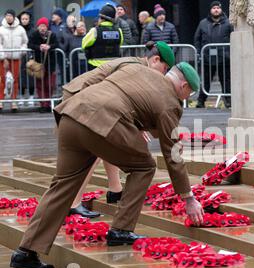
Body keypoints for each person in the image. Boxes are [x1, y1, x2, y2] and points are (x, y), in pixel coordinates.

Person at [9, 61, 204, 268]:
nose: (186, 99)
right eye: (190, 94)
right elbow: (172, 155)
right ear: (184, 86)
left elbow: (105, 83)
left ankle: (26, 251)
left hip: (71, 114)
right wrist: (188, 197)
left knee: (62, 185)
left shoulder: (137, 69)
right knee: (145, 166)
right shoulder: (170, 102)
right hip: (101, 123)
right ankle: (121, 229)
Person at [62, 41, 176, 218]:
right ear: (155, 60)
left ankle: (115, 189)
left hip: (91, 99)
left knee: (109, 140)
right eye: (165, 68)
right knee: (92, 150)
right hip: (82, 97)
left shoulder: (138, 65)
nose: (164, 75)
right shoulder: (137, 68)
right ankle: (73, 203)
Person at [194, 1, 233, 108]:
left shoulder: (228, 23)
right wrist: (199, 52)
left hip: (224, 58)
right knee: (205, 81)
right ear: (210, 10)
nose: (216, 10)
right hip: (207, 58)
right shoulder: (203, 23)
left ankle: (228, 102)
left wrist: (230, 53)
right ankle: (201, 101)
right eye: (214, 8)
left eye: (218, 8)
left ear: (221, 10)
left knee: (226, 81)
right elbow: (197, 39)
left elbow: (233, 38)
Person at [0, 9, 28, 112]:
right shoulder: (1, 29)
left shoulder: (20, 29)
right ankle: (1, 101)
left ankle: (14, 102)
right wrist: (3, 57)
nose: (8, 17)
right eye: (7, 16)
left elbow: (25, 42)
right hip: (4, 59)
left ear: (14, 17)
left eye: (10, 16)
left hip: (16, 58)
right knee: (2, 80)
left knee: (15, 80)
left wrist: (21, 51)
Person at [28, 17, 58, 112]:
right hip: (38, 64)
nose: (42, 28)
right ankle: (43, 104)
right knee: (40, 85)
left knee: (49, 84)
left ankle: (48, 103)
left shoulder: (52, 35)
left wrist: (49, 46)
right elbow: (30, 45)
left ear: (47, 27)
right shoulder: (34, 35)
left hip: (50, 63)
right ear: (38, 27)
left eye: (44, 26)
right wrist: (39, 47)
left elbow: (57, 44)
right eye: (41, 26)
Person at [82, 4, 123, 71]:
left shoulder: (94, 31)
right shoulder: (119, 31)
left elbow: (84, 44)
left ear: (101, 18)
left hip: (96, 67)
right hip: (114, 67)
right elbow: (119, 44)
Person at [18, 11, 35, 106]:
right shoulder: (18, 29)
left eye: (26, 19)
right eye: (23, 19)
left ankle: (31, 96)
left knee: (31, 76)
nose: (24, 21)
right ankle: (21, 96)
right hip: (20, 56)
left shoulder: (33, 30)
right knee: (21, 76)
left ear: (29, 19)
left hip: (31, 56)